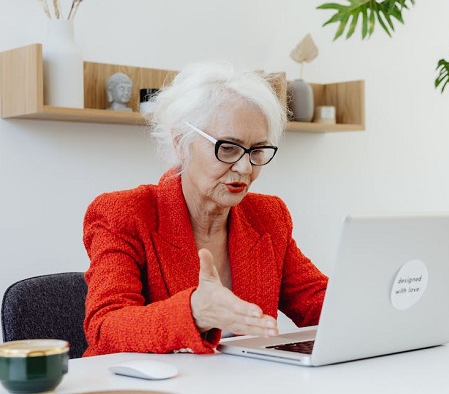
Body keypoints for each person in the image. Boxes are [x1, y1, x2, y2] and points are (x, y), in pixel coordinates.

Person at [83, 62, 328, 356]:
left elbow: (317, 302)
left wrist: (386, 297)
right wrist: (195, 312)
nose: (245, 167)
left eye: (257, 151)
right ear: (180, 143)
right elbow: (105, 328)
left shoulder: (268, 216)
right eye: (227, 148)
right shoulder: (124, 213)